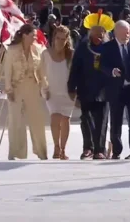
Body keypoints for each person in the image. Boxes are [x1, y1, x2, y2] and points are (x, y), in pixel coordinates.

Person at [68, 11, 114, 160]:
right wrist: (71, 87)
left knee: (102, 121)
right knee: (86, 119)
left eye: (102, 31)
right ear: (90, 31)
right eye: (96, 31)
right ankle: (88, 147)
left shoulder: (110, 47)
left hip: (104, 90)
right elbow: (75, 68)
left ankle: (99, 150)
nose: (99, 34)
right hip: (85, 89)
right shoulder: (83, 47)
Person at [100, 20, 130, 159]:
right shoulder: (108, 47)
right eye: (124, 33)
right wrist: (111, 71)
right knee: (116, 121)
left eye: (128, 32)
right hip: (116, 90)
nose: (127, 35)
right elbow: (102, 65)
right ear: (116, 34)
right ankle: (117, 151)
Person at [4, 23, 48, 160]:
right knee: (16, 121)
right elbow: (7, 71)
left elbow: (42, 71)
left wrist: (44, 87)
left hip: (33, 87)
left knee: (37, 121)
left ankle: (42, 152)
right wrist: (8, 89)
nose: (35, 37)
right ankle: (16, 153)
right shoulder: (12, 50)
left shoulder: (39, 49)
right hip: (17, 88)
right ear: (24, 35)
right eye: (32, 35)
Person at [40, 25, 74, 160]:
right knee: (55, 119)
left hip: (67, 93)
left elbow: (75, 74)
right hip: (52, 92)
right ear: (53, 38)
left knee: (65, 120)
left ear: (67, 40)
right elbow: (41, 74)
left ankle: (63, 149)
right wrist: (44, 90)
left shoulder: (71, 54)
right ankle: (56, 147)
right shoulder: (45, 54)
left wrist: (75, 91)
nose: (60, 41)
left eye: (63, 39)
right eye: (57, 38)